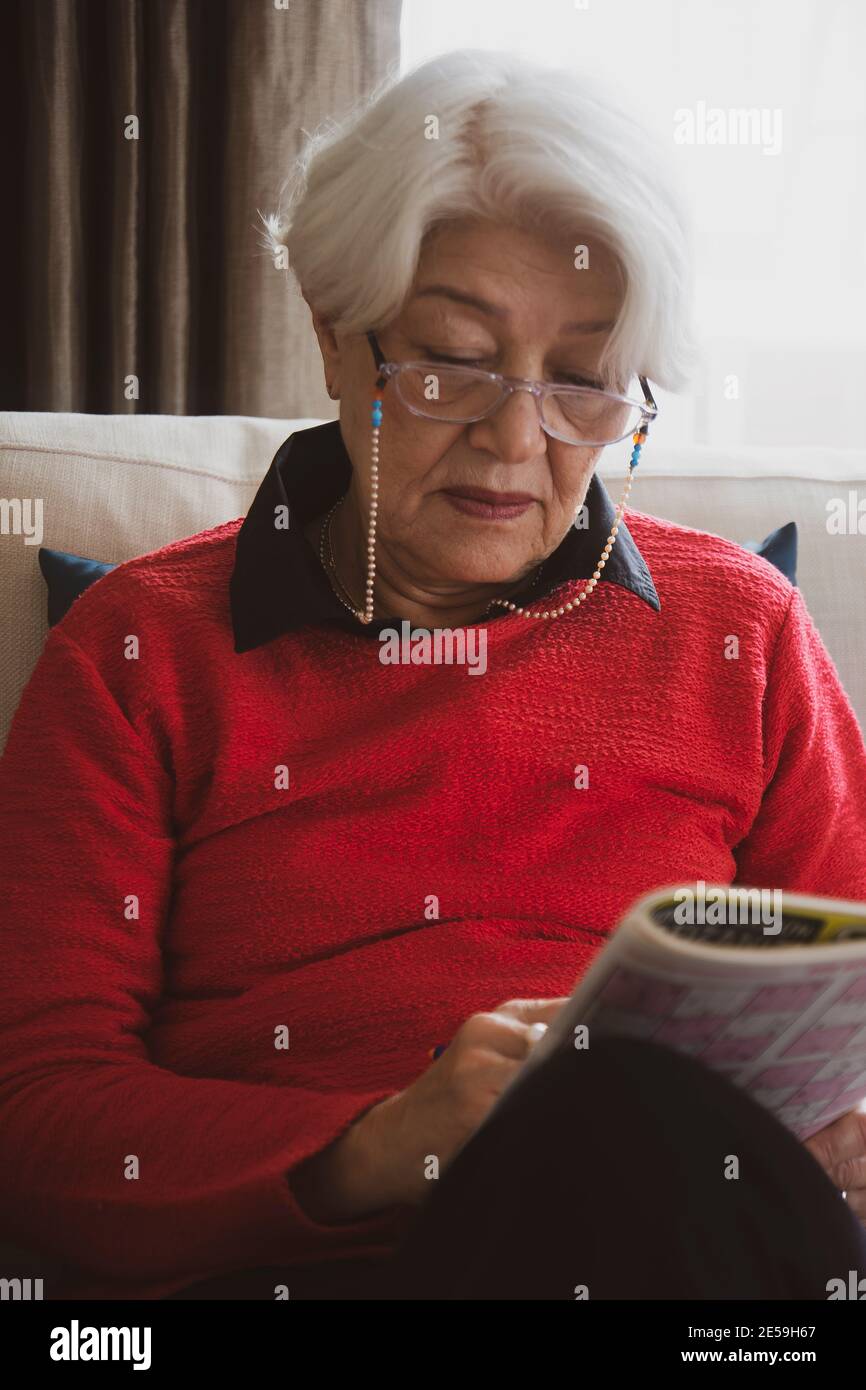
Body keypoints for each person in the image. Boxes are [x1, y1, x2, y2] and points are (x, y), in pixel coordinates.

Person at [1, 48, 865, 1302]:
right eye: (450, 359)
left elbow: (844, 1003)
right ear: (335, 340)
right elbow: (36, 1118)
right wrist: (389, 1144)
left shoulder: (741, 631)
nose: (518, 439)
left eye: (580, 383)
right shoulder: (142, 653)